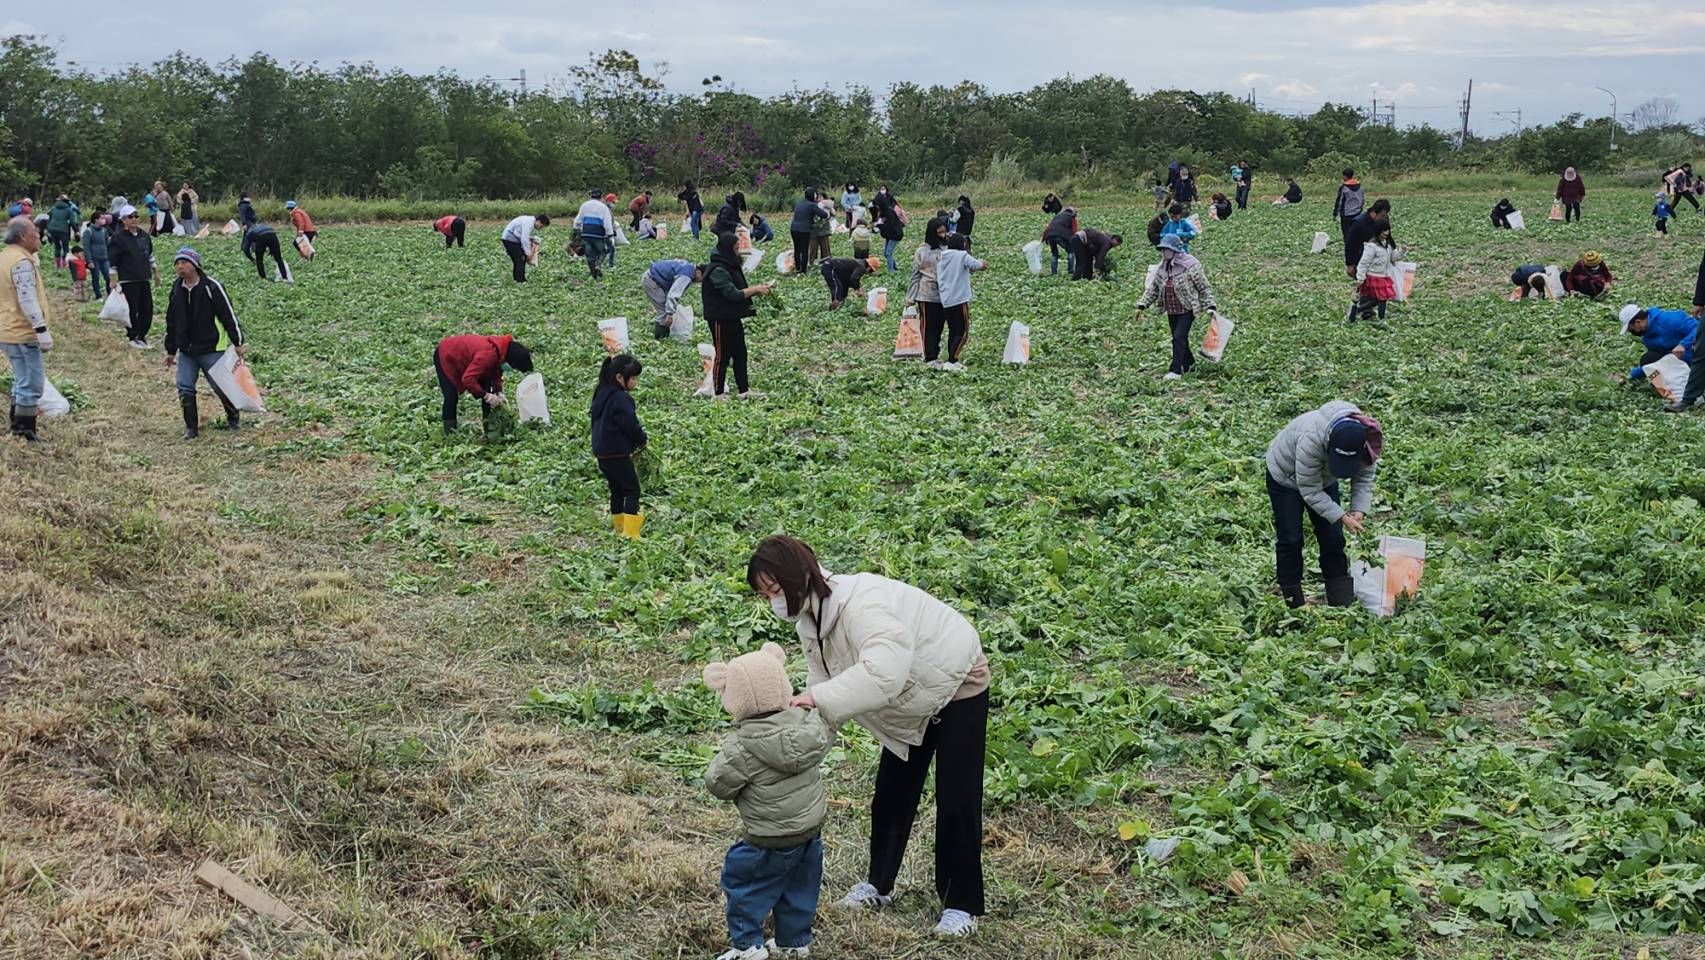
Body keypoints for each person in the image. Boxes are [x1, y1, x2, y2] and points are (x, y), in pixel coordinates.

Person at [745, 535, 990, 940]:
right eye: (765, 594)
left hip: (955, 682)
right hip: (908, 699)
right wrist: (801, 740)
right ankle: (878, 886)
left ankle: (960, 905)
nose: (772, 600)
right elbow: (823, 680)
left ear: (798, 575)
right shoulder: (810, 617)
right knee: (892, 794)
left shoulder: (862, 604)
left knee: (956, 801)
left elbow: (882, 672)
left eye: (775, 589)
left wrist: (818, 698)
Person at [702, 642, 831, 960]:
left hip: (768, 837)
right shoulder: (808, 722)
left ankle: (747, 946)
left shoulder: (743, 747)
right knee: (800, 887)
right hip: (810, 831)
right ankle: (794, 942)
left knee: (743, 883)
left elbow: (717, 784)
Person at [1265, 402, 1381, 608]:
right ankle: (1293, 605)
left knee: (1333, 536)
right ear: (1328, 445)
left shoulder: (1365, 442)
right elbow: (1310, 491)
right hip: (1286, 476)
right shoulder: (1310, 440)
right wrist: (1342, 516)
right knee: (1291, 539)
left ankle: (1341, 602)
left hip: (1323, 480)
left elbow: (1364, 478)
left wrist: (1358, 509)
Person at [160, 247, 245, 439]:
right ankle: (191, 429)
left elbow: (228, 315)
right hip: (187, 351)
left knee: (220, 386)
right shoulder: (176, 289)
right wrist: (170, 349)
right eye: (177, 264)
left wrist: (238, 342)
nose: (180, 267)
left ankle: (233, 418)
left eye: (184, 263)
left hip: (211, 349)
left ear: (195, 265)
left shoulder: (211, 287)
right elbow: (171, 320)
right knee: (184, 386)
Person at [701, 231, 774, 400]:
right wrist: (755, 290)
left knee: (740, 353)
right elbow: (732, 294)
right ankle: (718, 393)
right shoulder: (718, 269)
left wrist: (757, 289)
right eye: (735, 249)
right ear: (727, 249)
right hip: (720, 317)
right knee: (722, 355)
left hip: (732, 315)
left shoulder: (729, 265)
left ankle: (744, 391)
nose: (738, 252)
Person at [1135, 233, 1216, 379]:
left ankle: (1176, 370)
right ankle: (1189, 364)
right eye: (1163, 249)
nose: (1164, 252)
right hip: (1172, 310)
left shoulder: (1190, 265)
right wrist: (1142, 304)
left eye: (1167, 249)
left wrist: (1210, 306)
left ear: (1175, 250)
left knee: (1179, 337)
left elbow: (1204, 287)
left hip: (1187, 308)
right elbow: (1154, 288)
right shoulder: (1162, 267)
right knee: (1178, 337)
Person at [2, 216, 53, 442]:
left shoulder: (4, 257)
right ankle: (24, 430)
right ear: (23, 236)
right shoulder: (21, 262)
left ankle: (16, 424)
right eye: (35, 232)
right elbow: (27, 298)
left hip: (6, 328)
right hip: (22, 331)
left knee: (21, 378)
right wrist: (40, 329)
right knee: (32, 382)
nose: (39, 236)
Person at [589, 353, 648, 537]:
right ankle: (631, 534)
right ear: (620, 378)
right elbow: (631, 425)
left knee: (616, 489)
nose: (635, 382)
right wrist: (642, 440)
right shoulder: (621, 399)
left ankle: (619, 527)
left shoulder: (601, 393)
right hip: (617, 452)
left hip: (602, 452)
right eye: (633, 378)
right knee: (632, 489)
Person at [433, 332, 533, 435]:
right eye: (514, 367)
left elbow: (495, 373)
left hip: (466, 359)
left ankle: (489, 431)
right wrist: (486, 395)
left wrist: (498, 392)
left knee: (488, 388)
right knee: (451, 396)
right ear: (511, 361)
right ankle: (449, 434)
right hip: (445, 355)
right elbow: (468, 379)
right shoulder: (488, 355)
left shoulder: (500, 352)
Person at [109, 205, 161, 348]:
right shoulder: (118, 238)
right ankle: (133, 336)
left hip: (144, 277)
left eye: (136, 216)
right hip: (128, 278)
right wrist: (112, 280)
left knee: (147, 308)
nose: (134, 219)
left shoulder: (144, 235)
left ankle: (142, 335)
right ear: (123, 220)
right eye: (130, 217)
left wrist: (156, 272)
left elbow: (149, 255)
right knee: (132, 309)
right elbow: (113, 261)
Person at [931, 235, 986, 371]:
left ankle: (953, 360)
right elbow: (978, 265)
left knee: (953, 330)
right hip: (959, 299)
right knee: (962, 331)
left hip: (946, 300)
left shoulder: (941, 256)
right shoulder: (962, 256)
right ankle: (952, 360)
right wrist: (983, 263)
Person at [1619, 303, 1696, 383]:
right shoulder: (1647, 338)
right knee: (1647, 358)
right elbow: (1653, 362)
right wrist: (1632, 375)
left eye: (1631, 329)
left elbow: (1699, 328)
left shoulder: (1670, 319)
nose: (1631, 332)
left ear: (1638, 322)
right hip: (1679, 362)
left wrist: (1683, 344)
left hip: (1697, 353)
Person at [908, 217, 949, 349]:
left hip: (944, 295)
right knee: (928, 327)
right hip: (926, 295)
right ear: (932, 233)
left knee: (939, 326)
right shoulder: (922, 251)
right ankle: (929, 355)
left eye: (944, 232)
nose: (943, 235)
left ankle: (934, 351)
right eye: (939, 233)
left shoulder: (948, 250)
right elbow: (915, 276)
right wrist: (910, 297)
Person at [642, 259, 703, 339]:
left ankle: (663, 337)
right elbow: (673, 294)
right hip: (651, 280)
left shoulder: (688, 268)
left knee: (665, 309)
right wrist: (670, 313)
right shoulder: (686, 276)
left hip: (655, 277)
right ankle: (660, 339)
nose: (700, 281)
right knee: (663, 312)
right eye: (702, 278)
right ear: (699, 272)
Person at [1352, 227, 1399, 319]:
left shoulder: (1387, 245)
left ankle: (1357, 310)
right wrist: (1360, 277)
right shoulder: (1372, 246)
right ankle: (1380, 318)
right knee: (1382, 299)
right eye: (1384, 230)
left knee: (1379, 299)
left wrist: (1402, 251)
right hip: (1373, 276)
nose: (1386, 233)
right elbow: (1364, 262)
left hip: (1383, 276)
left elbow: (1392, 258)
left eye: (1387, 230)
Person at [1344, 199, 1391, 279]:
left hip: (1378, 262)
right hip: (1362, 259)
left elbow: (1387, 238)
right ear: (1374, 213)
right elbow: (1350, 244)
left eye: (1385, 216)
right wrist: (1350, 264)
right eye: (1382, 215)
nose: (1384, 218)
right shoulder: (1359, 223)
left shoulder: (1383, 221)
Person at [500, 213, 548, 282]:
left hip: (512, 239)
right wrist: (528, 253)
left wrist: (531, 239)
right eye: (541, 226)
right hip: (509, 239)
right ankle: (520, 280)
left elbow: (520, 235)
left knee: (520, 259)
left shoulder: (529, 221)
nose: (540, 228)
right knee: (520, 258)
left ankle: (518, 279)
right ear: (539, 221)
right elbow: (524, 239)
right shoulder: (528, 223)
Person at [576, 192, 614, 279]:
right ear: (601, 197)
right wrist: (610, 235)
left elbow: (577, 221)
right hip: (598, 234)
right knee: (602, 251)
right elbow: (607, 223)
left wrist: (578, 231)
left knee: (589, 255)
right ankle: (598, 265)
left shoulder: (584, 205)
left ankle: (594, 275)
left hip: (586, 233)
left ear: (590, 196)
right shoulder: (603, 207)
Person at [789, 189, 827, 276]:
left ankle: (798, 268)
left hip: (794, 228)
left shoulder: (799, 203)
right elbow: (824, 215)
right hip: (804, 229)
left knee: (797, 249)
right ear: (813, 195)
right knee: (804, 250)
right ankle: (803, 271)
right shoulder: (812, 205)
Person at [872, 186, 905, 273]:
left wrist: (879, 225)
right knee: (886, 253)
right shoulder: (883, 213)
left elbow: (888, 226)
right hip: (889, 235)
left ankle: (891, 270)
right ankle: (894, 267)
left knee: (888, 252)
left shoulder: (889, 213)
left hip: (895, 234)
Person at [82, 214, 111, 300]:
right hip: (94, 259)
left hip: (104, 258)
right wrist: (89, 261)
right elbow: (86, 247)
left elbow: (107, 244)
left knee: (108, 276)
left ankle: (110, 293)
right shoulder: (88, 232)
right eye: (101, 218)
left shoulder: (104, 230)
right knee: (96, 277)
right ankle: (98, 295)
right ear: (96, 220)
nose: (103, 220)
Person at [1332, 169, 1365, 245]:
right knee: (1356, 232)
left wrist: (1335, 213)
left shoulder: (1344, 188)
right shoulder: (1360, 186)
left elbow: (1339, 201)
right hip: (1357, 213)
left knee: (1347, 234)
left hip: (1346, 214)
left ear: (1345, 176)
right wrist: (1360, 209)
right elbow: (1362, 199)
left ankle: (1349, 249)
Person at [1043, 206, 1078, 275]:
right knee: (1071, 251)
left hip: (1049, 235)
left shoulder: (1057, 216)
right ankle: (1070, 271)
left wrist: (1044, 239)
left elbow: (1049, 227)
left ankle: (1054, 273)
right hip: (1060, 235)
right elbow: (1074, 231)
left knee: (1054, 254)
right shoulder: (1072, 217)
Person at [45, 194, 75, 269]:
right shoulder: (69, 209)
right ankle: (64, 265)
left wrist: (48, 228)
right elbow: (72, 222)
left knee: (57, 247)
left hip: (52, 229)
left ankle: (58, 266)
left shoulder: (54, 208)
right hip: (63, 230)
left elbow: (49, 217)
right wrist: (76, 230)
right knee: (65, 248)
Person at [810, 195, 835, 265]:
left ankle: (827, 262)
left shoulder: (828, 205)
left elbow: (833, 214)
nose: (819, 199)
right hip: (814, 230)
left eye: (821, 197)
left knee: (825, 248)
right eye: (818, 197)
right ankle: (811, 262)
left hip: (824, 230)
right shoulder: (813, 205)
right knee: (813, 248)